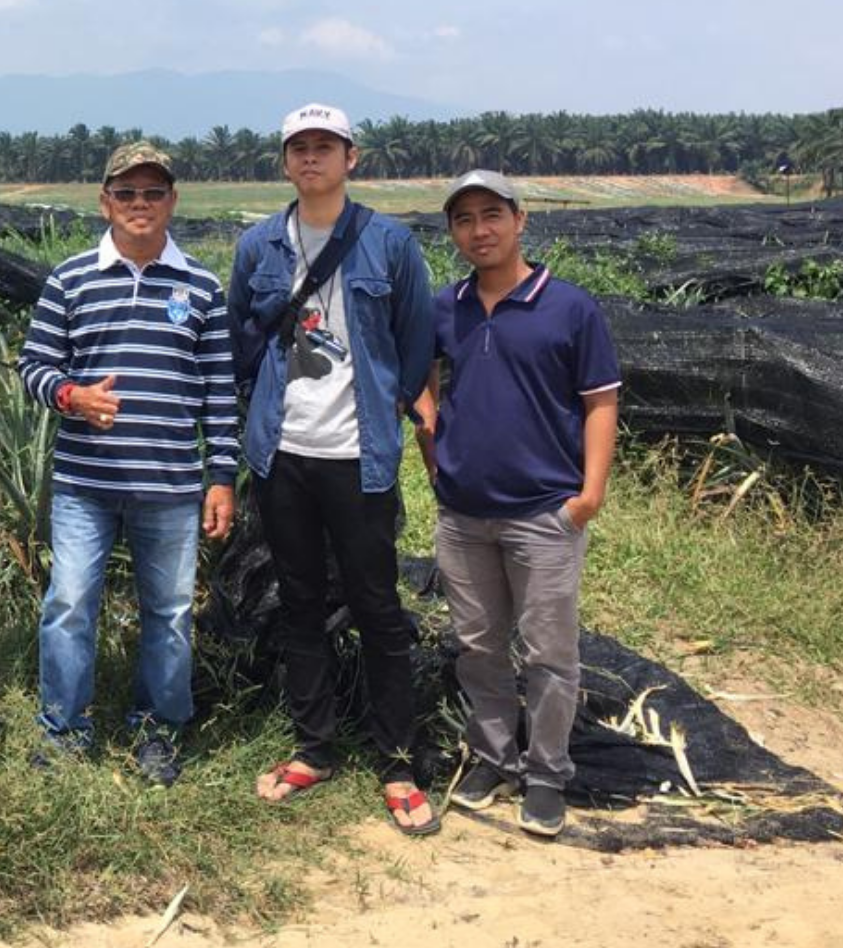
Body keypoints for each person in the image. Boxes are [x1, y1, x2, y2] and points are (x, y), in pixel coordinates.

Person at [229, 102, 440, 835]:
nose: (312, 157)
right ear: (285, 161)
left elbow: (416, 342)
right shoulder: (259, 245)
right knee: (299, 601)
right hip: (282, 454)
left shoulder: (390, 244)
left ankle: (397, 762)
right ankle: (314, 747)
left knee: (377, 605)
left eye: (326, 146)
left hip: (359, 456)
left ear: (352, 158)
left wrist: (388, 404)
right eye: (300, 147)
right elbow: (242, 339)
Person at [17, 141, 238, 785]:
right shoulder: (71, 279)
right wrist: (72, 396)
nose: (140, 204)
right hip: (84, 484)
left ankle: (157, 730)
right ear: (104, 201)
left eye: (153, 192)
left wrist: (222, 476)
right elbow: (34, 366)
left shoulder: (201, 286)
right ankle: (63, 729)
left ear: (172, 200)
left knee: (169, 613)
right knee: (69, 603)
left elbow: (219, 390)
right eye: (126, 193)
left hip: (170, 485)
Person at [414, 169, 620, 838]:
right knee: (477, 645)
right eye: (464, 219)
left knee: (548, 651)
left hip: (544, 512)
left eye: (492, 215)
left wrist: (588, 496)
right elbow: (421, 381)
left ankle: (547, 774)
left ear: (520, 220)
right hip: (463, 513)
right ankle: (493, 758)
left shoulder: (569, 307)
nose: (480, 230)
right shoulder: (446, 307)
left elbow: (600, 402)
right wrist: (432, 447)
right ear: (453, 232)